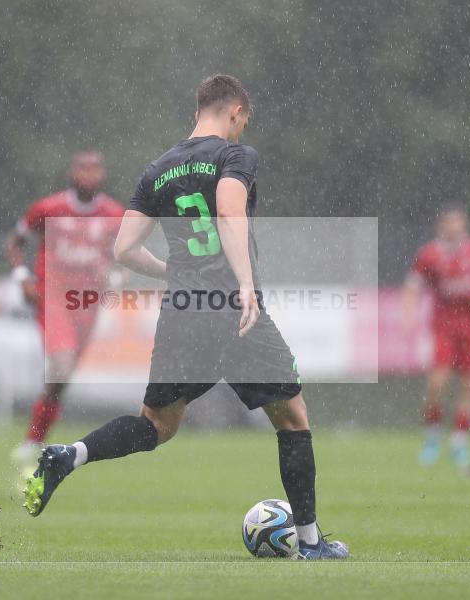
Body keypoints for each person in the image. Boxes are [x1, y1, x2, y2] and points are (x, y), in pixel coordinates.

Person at [22, 74, 349, 560]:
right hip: (231, 308)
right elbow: (228, 213)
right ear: (235, 111)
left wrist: (171, 271)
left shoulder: (159, 168)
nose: (241, 130)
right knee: (293, 417)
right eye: (243, 122)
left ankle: (69, 455)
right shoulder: (236, 155)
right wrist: (242, 282)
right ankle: (310, 543)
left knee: (156, 424)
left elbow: (125, 250)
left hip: (182, 312)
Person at [6, 151, 124, 479]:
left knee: (62, 379)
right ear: (72, 173)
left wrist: (115, 276)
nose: (89, 175)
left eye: (95, 168)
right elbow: (15, 243)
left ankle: (34, 438)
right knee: (60, 366)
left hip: (87, 306)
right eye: (83, 169)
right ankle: (32, 443)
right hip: (54, 298)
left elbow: (125, 259)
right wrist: (23, 279)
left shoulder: (115, 215)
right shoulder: (49, 208)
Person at [402, 205, 470, 469]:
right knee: (438, 383)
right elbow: (412, 286)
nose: (454, 227)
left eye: (458, 222)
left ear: (465, 224)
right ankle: (432, 437)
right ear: (441, 226)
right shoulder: (430, 254)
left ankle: (459, 441)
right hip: (443, 327)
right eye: (449, 223)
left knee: (467, 385)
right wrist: (407, 313)